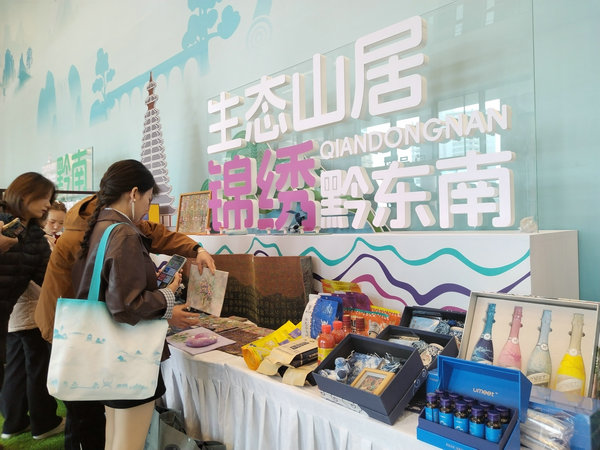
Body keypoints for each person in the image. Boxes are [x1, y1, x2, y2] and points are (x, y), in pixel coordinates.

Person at [35, 160, 216, 450]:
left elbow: (113, 290)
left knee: (114, 438)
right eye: (148, 198)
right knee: (126, 441)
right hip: (129, 357)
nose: (147, 208)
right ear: (133, 193)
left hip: (107, 355)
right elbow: (126, 305)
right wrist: (168, 294)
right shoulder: (124, 233)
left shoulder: (97, 225)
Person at [0, 172, 65, 441]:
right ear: (25, 195)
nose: (47, 205)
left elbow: (48, 279)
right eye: (44, 198)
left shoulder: (35, 235)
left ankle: (16, 422)